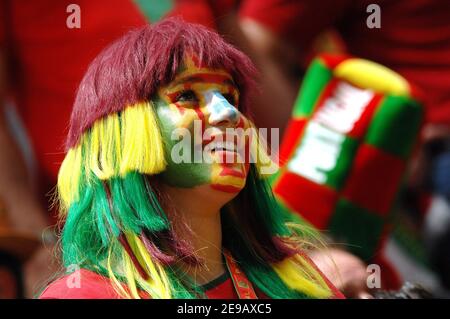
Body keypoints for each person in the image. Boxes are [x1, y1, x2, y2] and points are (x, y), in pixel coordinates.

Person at [39, 18, 343, 299]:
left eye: (231, 98)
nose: (229, 114)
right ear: (119, 137)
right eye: (187, 96)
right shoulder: (81, 295)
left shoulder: (297, 282)